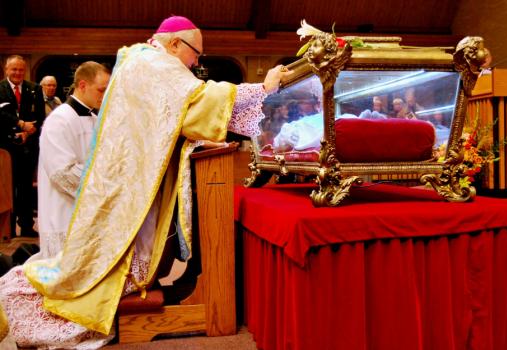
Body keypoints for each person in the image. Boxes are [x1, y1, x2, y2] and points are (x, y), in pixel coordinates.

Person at [0, 15, 290, 348]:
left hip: (131, 176)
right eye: (196, 54)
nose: (196, 62)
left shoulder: (144, 60)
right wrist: (264, 87)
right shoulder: (154, 64)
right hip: (129, 183)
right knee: (98, 269)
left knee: (106, 259)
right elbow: (197, 103)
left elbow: (174, 117)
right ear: (176, 43)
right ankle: (20, 303)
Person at [36, 62, 110, 260]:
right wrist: (103, 185)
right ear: (83, 85)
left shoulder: (95, 118)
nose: (104, 95)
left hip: (89, 210)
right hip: (63, 210)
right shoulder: (59, 119)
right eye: (101, 90)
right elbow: (62, 173)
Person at [0, 55, 46, 238]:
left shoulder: (34, 89)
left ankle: (26, 226)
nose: (18, 73)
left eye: (20, 69)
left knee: (26, 188)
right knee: (6, 189)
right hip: (5, 149)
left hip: (28, 147)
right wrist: (20, 125)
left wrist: (28, 132)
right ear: (6, 70)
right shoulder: (0, 89)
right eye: (14, 69)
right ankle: (7, 228)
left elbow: (41, 117)